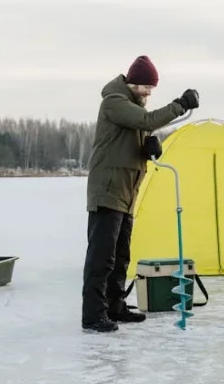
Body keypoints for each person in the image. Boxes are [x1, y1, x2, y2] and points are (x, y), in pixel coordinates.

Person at [82, 55, 200, 332]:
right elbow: (147, 120)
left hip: (127, 191)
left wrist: (149, 150)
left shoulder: (130, 106)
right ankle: (93, 315)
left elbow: (136, 133)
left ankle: (114, 306)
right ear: (132, 82)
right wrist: (180, 105)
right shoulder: (114, 102)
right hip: (108, 190)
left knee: (121, 255)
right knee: (102, 257)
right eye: (146, 86)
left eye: (152, 88)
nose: (149, 92)